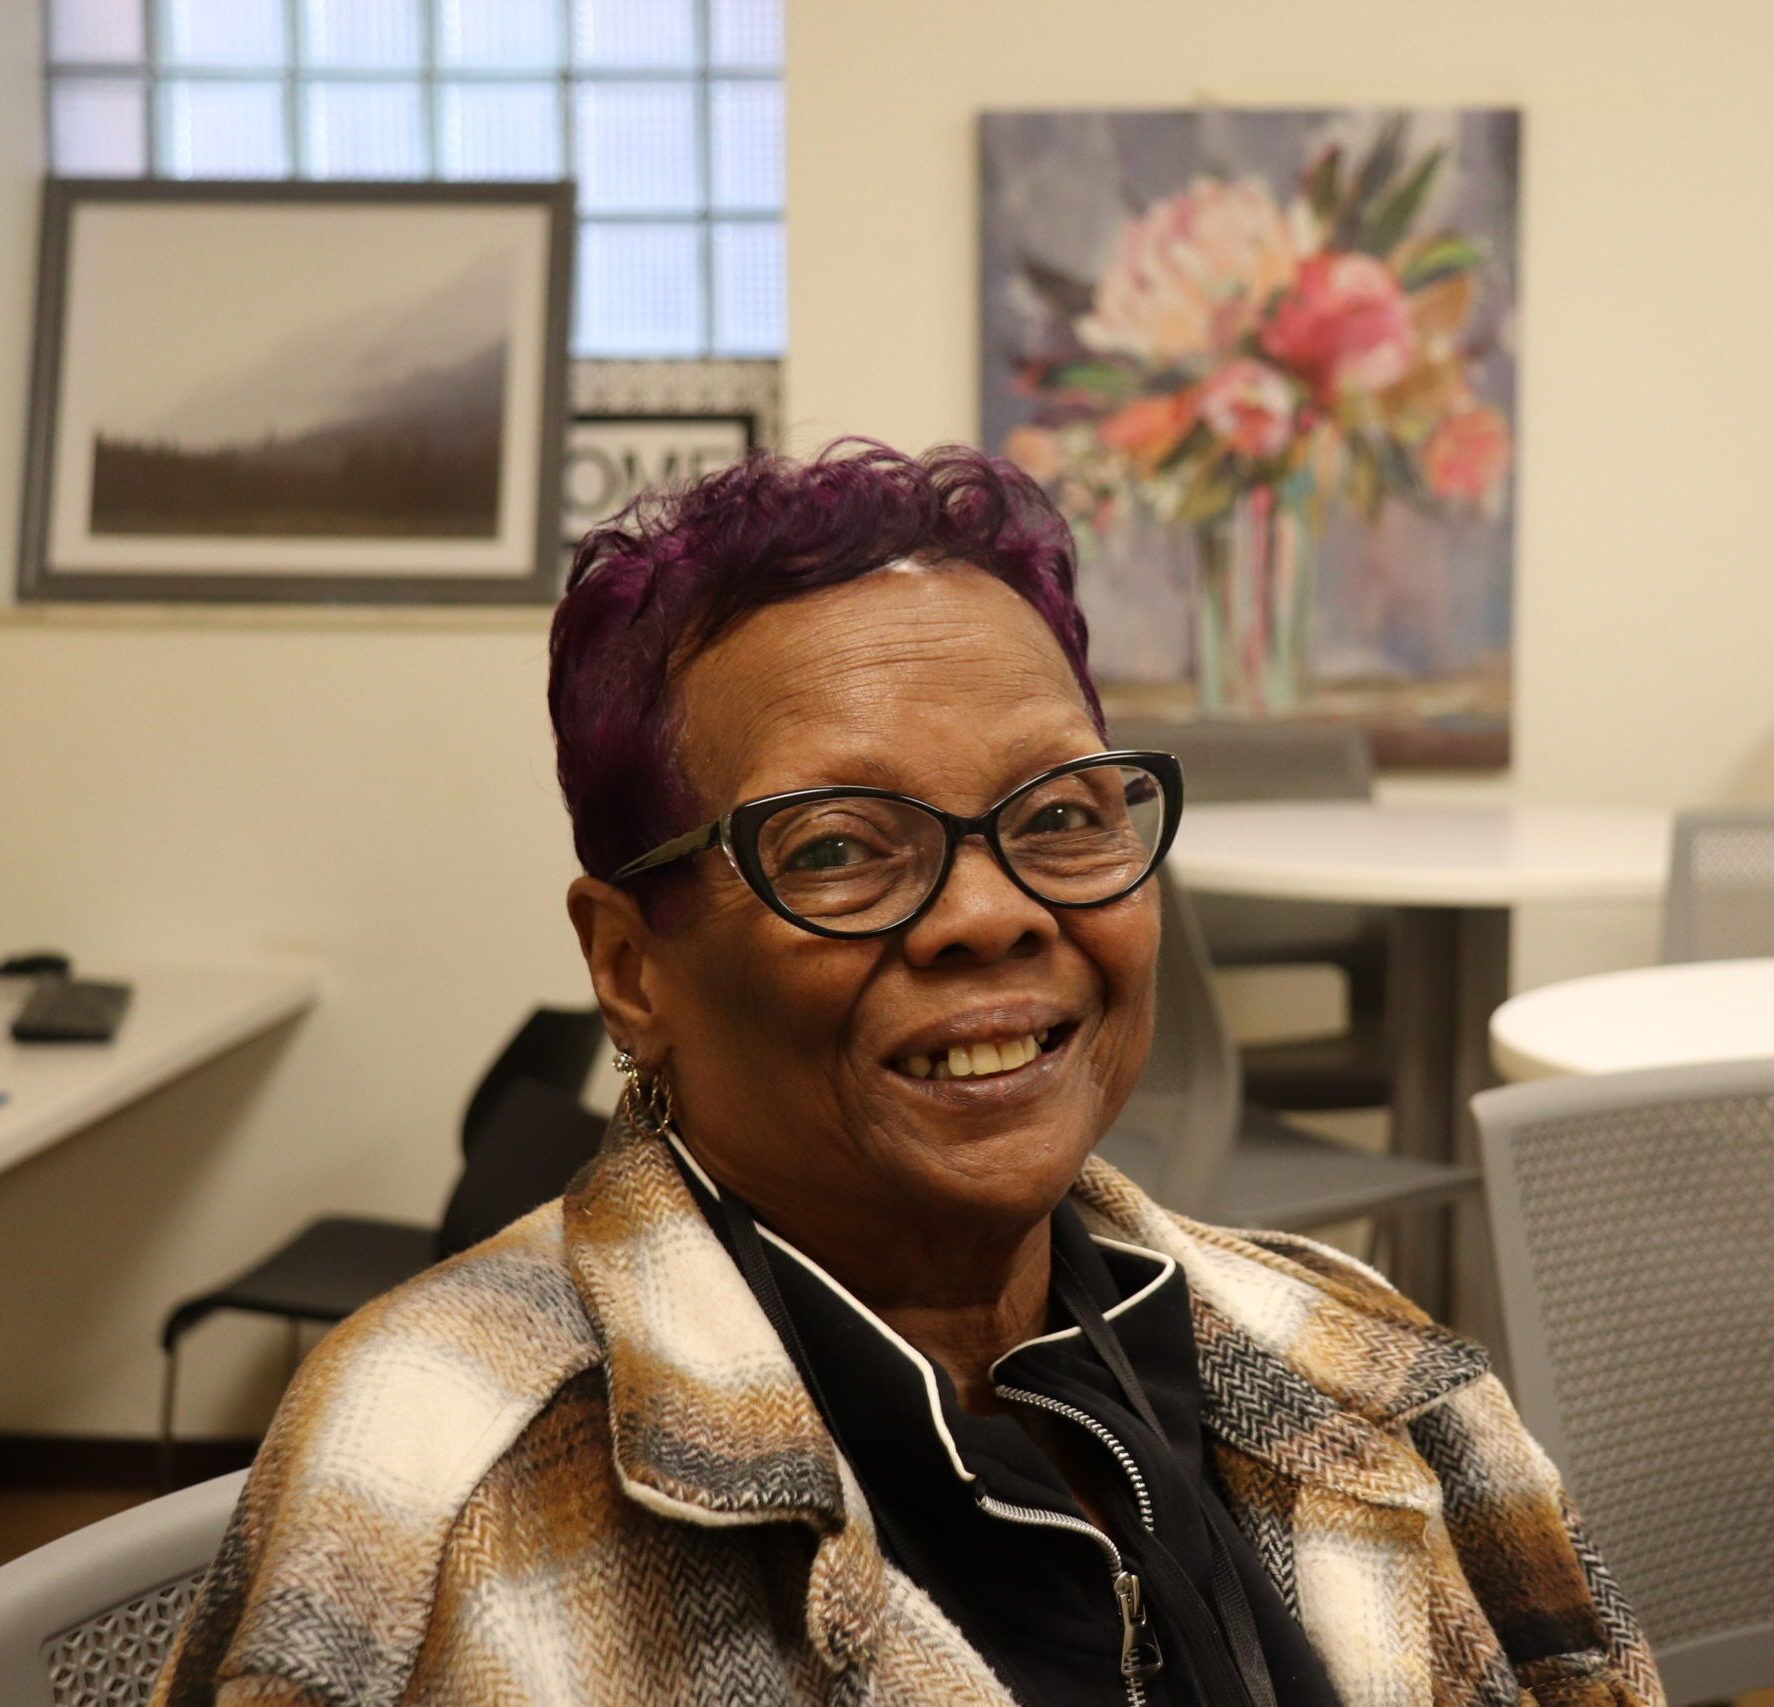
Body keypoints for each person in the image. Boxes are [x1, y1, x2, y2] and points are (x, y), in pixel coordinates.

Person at [154, 442, 1662, 1707]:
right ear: (631, 967)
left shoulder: (1354, 1363)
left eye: (1062, 813)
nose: (995, 909)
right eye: (835, 849)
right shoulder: (428, 1494)